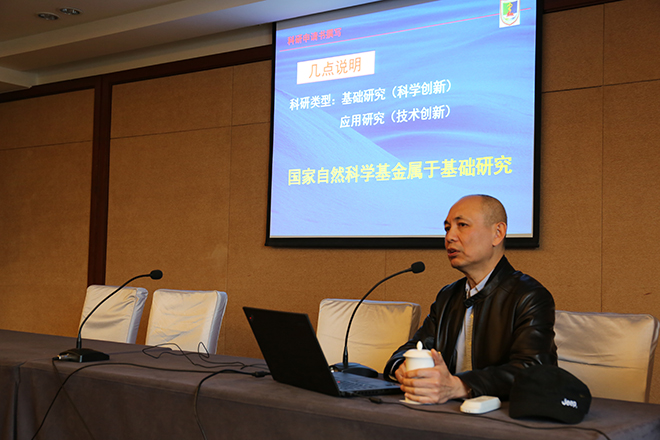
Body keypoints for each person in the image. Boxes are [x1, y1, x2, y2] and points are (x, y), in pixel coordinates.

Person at [384, 195, 557, 404]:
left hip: (499, 414)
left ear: (497, 233)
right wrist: (402, 366)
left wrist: (460, 386)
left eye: (462, 225)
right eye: (447, 228)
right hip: (446, 410)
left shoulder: (529, 296)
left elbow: (532, 370)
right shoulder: (448, 296)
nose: (450, 237)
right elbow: (415, 347)